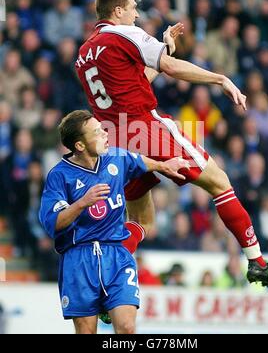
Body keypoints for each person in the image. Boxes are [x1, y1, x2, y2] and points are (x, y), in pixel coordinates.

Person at [75, 0, 268, 289]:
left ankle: (107, 280)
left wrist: (164, 46)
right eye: (132, 7)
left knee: (142, 222)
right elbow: (170, 68)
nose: (136, 13)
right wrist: (220, 78)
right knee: (219, 183)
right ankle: (257, 262)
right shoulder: (124, 34)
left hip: (116, 140)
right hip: (146, 128)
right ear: (117, 11)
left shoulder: (83, 54)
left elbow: (137, 81)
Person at [39, 110, 189, 334]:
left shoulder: (116, 157)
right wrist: (82, 202)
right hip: (79, 258)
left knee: (127, 328)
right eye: (97, 132)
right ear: (80, 146)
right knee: (87, 332)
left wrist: (164, 166)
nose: (105, 134)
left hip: (116, 254)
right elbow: (54, 222)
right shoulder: (59, 176)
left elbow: (139, 161)